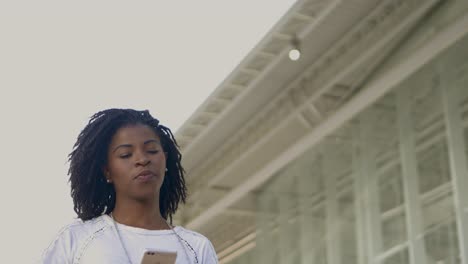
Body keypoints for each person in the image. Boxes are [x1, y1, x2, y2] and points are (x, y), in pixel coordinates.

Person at [40, 108, 218, 264]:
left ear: (165, 159)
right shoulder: (76, 239)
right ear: (107, 171)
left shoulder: (196, 247)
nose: (142, 159)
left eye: (152, 151)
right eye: (126, 154)